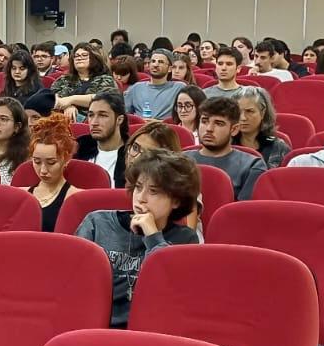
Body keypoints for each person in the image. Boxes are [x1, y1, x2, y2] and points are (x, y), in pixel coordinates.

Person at [76, 149, 201, 327]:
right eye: (138, 187)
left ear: (176, 201)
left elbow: (173, 293)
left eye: (153, 191)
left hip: (153, 329)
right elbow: (74, 282)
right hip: (96, 326)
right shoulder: (98, 223)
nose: (141, 198)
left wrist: (153, 236)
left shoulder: (184, 238)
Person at [185, 97, 267, 201]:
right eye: (204, 121)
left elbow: (243, 209)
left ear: (234, 129)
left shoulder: (252, 166)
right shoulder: (180, 161)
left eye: (219, 123)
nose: (209, 129)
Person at [25, 113, 83, 232]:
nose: (43, 170)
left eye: (51, 162)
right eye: (37, 161)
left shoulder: (76, 198)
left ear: (66, 159)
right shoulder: (21, 194)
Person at [51, 42, 119, 121]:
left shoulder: (105, 79)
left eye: (84, 55)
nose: (79, 58)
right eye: (76, 56)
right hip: (63, 120)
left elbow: (103, 99)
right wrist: (67, 106)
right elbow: (53, 98)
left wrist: (71, 100)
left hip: (96, 120)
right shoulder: (63, 79)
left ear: (94, 58)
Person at [75, 92, 128, 187]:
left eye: (103, 115)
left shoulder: (133, 155)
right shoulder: (78, 149)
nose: (94, 122)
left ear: (119, 120)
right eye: (91, 115)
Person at [234, 86, 292, 168]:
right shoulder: (225, 144)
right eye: (238, 111)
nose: (243, 118)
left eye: (249, 111)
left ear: (263, 112)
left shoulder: (279, 148)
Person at [123, 49, 180, 121]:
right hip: (141, 127)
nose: (155, 65)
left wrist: (159, 122)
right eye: (153, 61)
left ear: (170, 69)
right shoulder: (135, 88)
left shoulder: (178, 88)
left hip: (166, 127)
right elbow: (124, 116)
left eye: (161, 62)